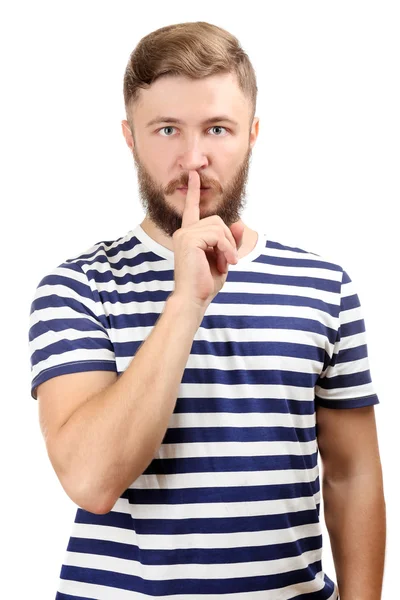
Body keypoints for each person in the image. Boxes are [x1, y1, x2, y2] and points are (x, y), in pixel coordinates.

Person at [28, 20, 386, 600]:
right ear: (130, 137)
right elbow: (91, 479)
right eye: (166, 129)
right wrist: (185, 302)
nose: (193, 158)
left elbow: (352, 475)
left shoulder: (324, 284)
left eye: (217, 128)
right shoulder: (77, 286)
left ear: (252, 134)